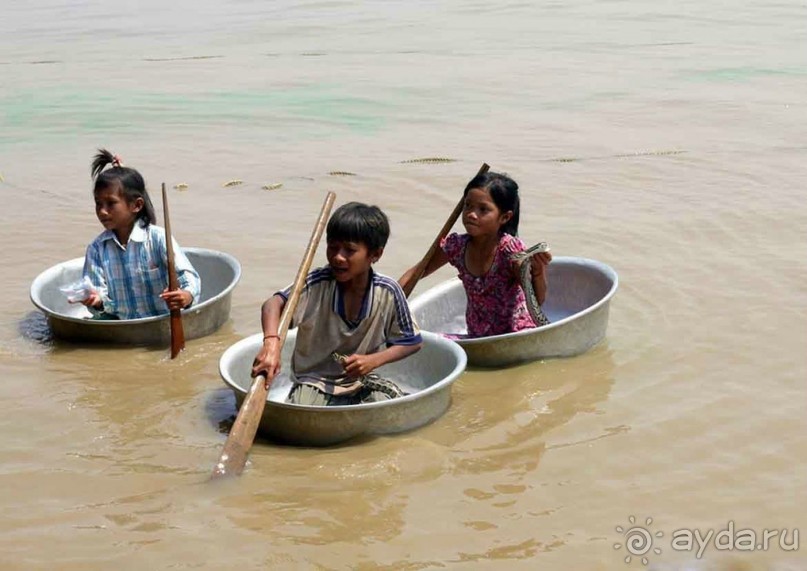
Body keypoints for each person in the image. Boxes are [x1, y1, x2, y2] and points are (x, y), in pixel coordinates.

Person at [251, 202, 423, 406]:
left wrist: (374, 360)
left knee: (389, 405)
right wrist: (271, 344)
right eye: (332, 247)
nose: (338, 257)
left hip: (360, 380)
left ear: (375, 255)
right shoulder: (317, 283)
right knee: (305, 410)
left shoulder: (388, 291)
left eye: (349, 250)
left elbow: (411, 342)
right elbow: (273, 304)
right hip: (314, 380)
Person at [399, 171, 552, 338]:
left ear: (505, 217)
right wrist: (388, 300)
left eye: (483, 209)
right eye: (468, 205)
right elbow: (418, 272)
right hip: (477, 337)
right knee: (415, 341)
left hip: (517, 333)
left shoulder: (511, 251)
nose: (471, 214)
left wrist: (538, 272)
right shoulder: (456, 246)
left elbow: (537, 301)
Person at [80, 149, 201, 320]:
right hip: (123, 327)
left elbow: (190, 278)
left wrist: (186, 296)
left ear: (136, 205)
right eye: (98, 204)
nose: (102, 211)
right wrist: (97, 301)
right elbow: (98, 296)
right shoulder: (97, 248)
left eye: (111, 204)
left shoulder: (158, 239)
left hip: (162, 321)